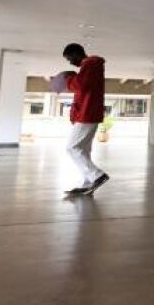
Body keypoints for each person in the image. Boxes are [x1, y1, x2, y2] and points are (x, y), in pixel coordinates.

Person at [60, 43, 110, 196]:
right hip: (87, 113)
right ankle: (88, 182)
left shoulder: (91, 63)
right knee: (83, 150)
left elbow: (81, 86)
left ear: (76, 53)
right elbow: (83, 88)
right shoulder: (89, 67)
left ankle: (97, 175)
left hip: (87, 114)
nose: (70, 62)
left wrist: (69, 78)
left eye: (70, 58)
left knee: (72, 147)